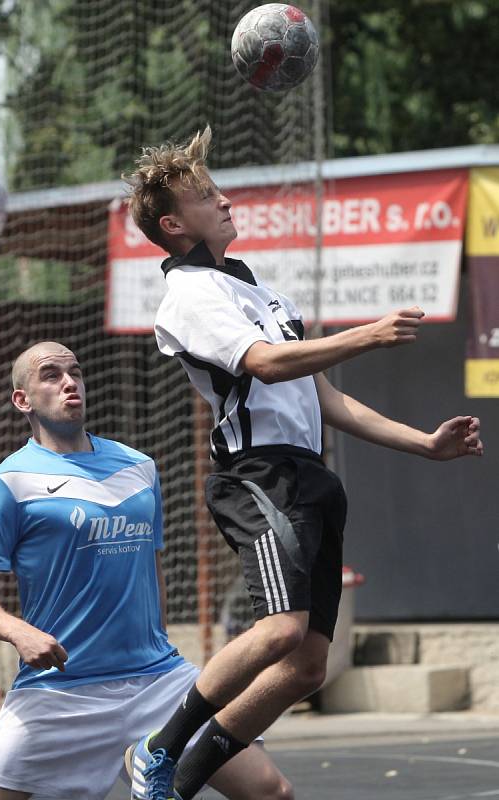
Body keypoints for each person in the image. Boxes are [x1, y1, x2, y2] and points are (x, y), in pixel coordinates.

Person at [124, 126, 484, 800]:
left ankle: (178, 783)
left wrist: (424, 444)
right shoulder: (190, 294)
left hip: (308, 478)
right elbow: (262, 363)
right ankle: (157, 746)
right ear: (172, 224)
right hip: (255, 477)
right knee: (280, 629)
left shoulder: (263, 296)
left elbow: (325, 401)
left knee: (306, 667)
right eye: (205, 196)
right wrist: (364, 334)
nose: (223, 200)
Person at [0, 341, 292, 800]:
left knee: (271, 791)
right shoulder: (5, 485)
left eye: (75, 371)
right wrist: (17, 632)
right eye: (51, 375)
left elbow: (152, 573)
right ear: (22, 400)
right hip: (62, 691)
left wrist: (160, 644)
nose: (69, 382)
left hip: (158, 680)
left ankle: (146, 751)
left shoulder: (139, 468)